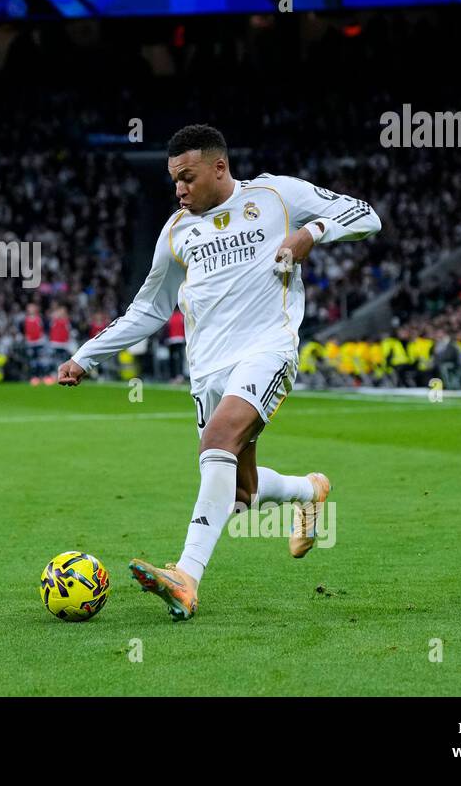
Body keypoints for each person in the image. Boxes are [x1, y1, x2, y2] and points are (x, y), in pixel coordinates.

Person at [57, 124, 381, 620]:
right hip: (206, 371)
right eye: (174, 180)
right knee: (241, 494)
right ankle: (309, 490)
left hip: (267, 350)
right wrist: (86, 356)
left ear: (219, 167)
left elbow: (366, 216)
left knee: (218, 442)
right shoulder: (175, 232)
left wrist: (310, 232)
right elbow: (148, 309)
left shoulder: (276, 195)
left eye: (187, 177)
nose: (179, 188)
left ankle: (186, 577)